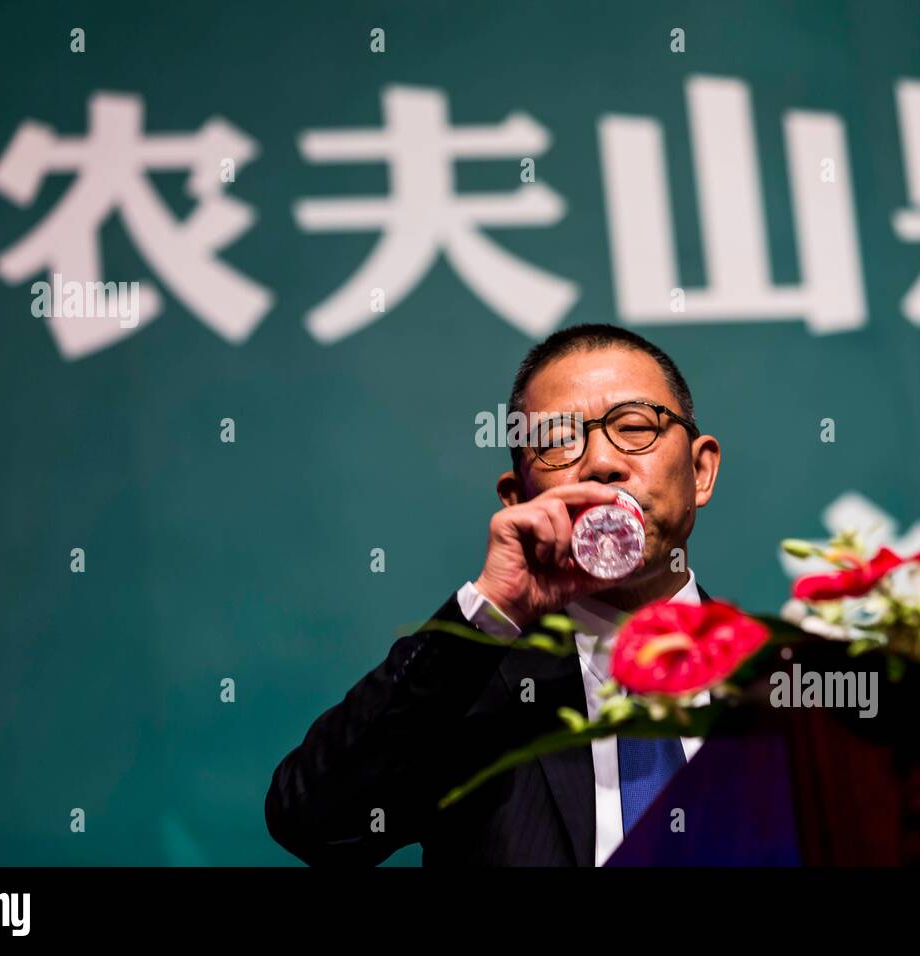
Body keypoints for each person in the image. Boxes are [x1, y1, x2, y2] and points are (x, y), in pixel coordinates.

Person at [266, 324, 722, 865]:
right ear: (515, 498)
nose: (601, 463)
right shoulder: (467, 686)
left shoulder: (780, 682)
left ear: (699, 471)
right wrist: (490, 611)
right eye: (558, 441)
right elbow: (315, 823)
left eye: (634, 426)